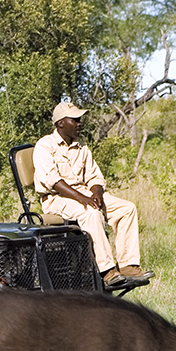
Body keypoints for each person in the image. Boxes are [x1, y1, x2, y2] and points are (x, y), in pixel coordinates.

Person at [33, 100, 150, 287]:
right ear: (61, 123)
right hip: (56, 198)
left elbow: (95, 176)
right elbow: (53, 181)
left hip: (83, 194)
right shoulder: (45, 146)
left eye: (80, 120)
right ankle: (107, 270)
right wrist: (84, 199)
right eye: (75, 120)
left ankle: (128, 265)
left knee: (127, 209)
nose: (80, 123)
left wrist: (97, 194)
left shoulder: (82, 147)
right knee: (91, 212)